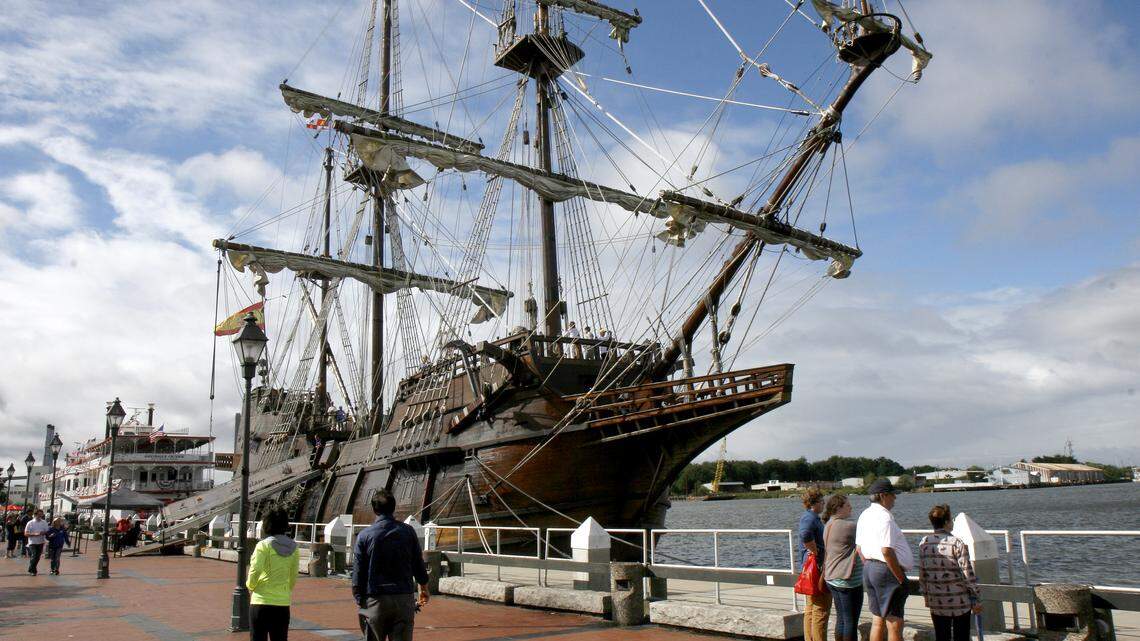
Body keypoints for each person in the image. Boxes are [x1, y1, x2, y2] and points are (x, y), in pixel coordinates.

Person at [353, 490, 429, 641]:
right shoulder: (408, 531)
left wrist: (359, 599)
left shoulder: (364, 535)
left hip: (375, 600)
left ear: (374, 510)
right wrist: (424, 588)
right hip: (403, 599)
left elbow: (358, 573)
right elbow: (418, 564)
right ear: (393, 508)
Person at [855, 478, 913, 641]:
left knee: (877, 620)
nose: (895, 498)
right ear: (882, 496)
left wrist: (871, 566)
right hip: (886, 571)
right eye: (892, 495)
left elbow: (859, 548)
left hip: (870, 568)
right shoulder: (885, 518)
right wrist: (900, 578)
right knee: (894, 623)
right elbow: (887, 550)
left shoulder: (864, 515)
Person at [918, 505, 980, 641]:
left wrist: (925, 595)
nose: (952, 522)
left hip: (936, 599)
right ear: (946, 522)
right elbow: (967, 573)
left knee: (941, 635)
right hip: (959, 601)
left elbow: (922, 573)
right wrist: (976, 595)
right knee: (961, 635)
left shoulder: (924, 542)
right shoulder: (956, 543)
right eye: (951, 520)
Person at [246, 504, 300, 641]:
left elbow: (255, 570)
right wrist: (285, 591)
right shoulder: (294, 548)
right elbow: (293, 576)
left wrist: (250, 586)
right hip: (282, 604)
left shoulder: (263, 546)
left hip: (261, 602)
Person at [823, 494, 863, 641]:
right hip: (847, 581)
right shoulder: (848, 526)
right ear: (838, 508)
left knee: (841, 618)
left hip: (832, 577)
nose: (851, 507)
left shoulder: (829, 524)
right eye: (847, 505)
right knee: (850, 620)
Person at [798, 488, 831, 641]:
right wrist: (815, 550)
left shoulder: (811, 517)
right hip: (816, 568)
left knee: (811, 608)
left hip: (811, 567)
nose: (824, 504)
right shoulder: (809, 518)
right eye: (822, 501)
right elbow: (805, 535)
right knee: (821, 609)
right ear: (814, 503)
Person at [24, 508, 49, 576]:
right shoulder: (30, 523)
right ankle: (33, 571)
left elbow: (47, 531)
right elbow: (26, 534)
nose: (40, 516)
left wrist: (44, 532)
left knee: (37, 557)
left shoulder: (44, 522)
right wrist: (35, 534)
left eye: (41, 515)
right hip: (32, 542)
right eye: (39, 515)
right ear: (35, 515)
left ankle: (31, 568)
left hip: (41, 542)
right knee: (34, 555)